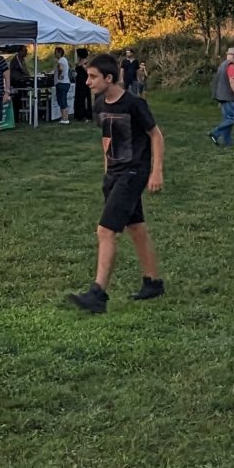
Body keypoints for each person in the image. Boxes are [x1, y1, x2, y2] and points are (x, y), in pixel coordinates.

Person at [66, 53, 164, 312]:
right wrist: (106, 170)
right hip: (114, 174)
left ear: (109, 78)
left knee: (106, 231)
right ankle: (153, 282)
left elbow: (156, 135)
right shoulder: (100, 105)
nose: (88, 82)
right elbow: (107, 138)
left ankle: (98, 295)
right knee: (136, 228)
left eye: (93, 77)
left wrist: (156, 172)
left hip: (133, 174)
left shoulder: (134, 104)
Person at [209, 47, 234, 148]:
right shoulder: (231, 66)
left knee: (227, 120)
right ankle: (215, 133)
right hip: (229, 97)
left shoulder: (222, 65)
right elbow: (232, 81)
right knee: (233, 118)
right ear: (233, 56)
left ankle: (228, 143)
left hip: (222, 97)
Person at [52, 50, 73, 121]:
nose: (54, 54)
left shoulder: (61, 60)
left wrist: (59, 75)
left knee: (61, 101)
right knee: (64, 100)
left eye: (56, 52)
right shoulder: (65, 59)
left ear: (59, 53)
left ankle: (64, 119)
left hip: (61, 83)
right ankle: (65, 118)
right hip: (66, 83)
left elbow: (60, 68)